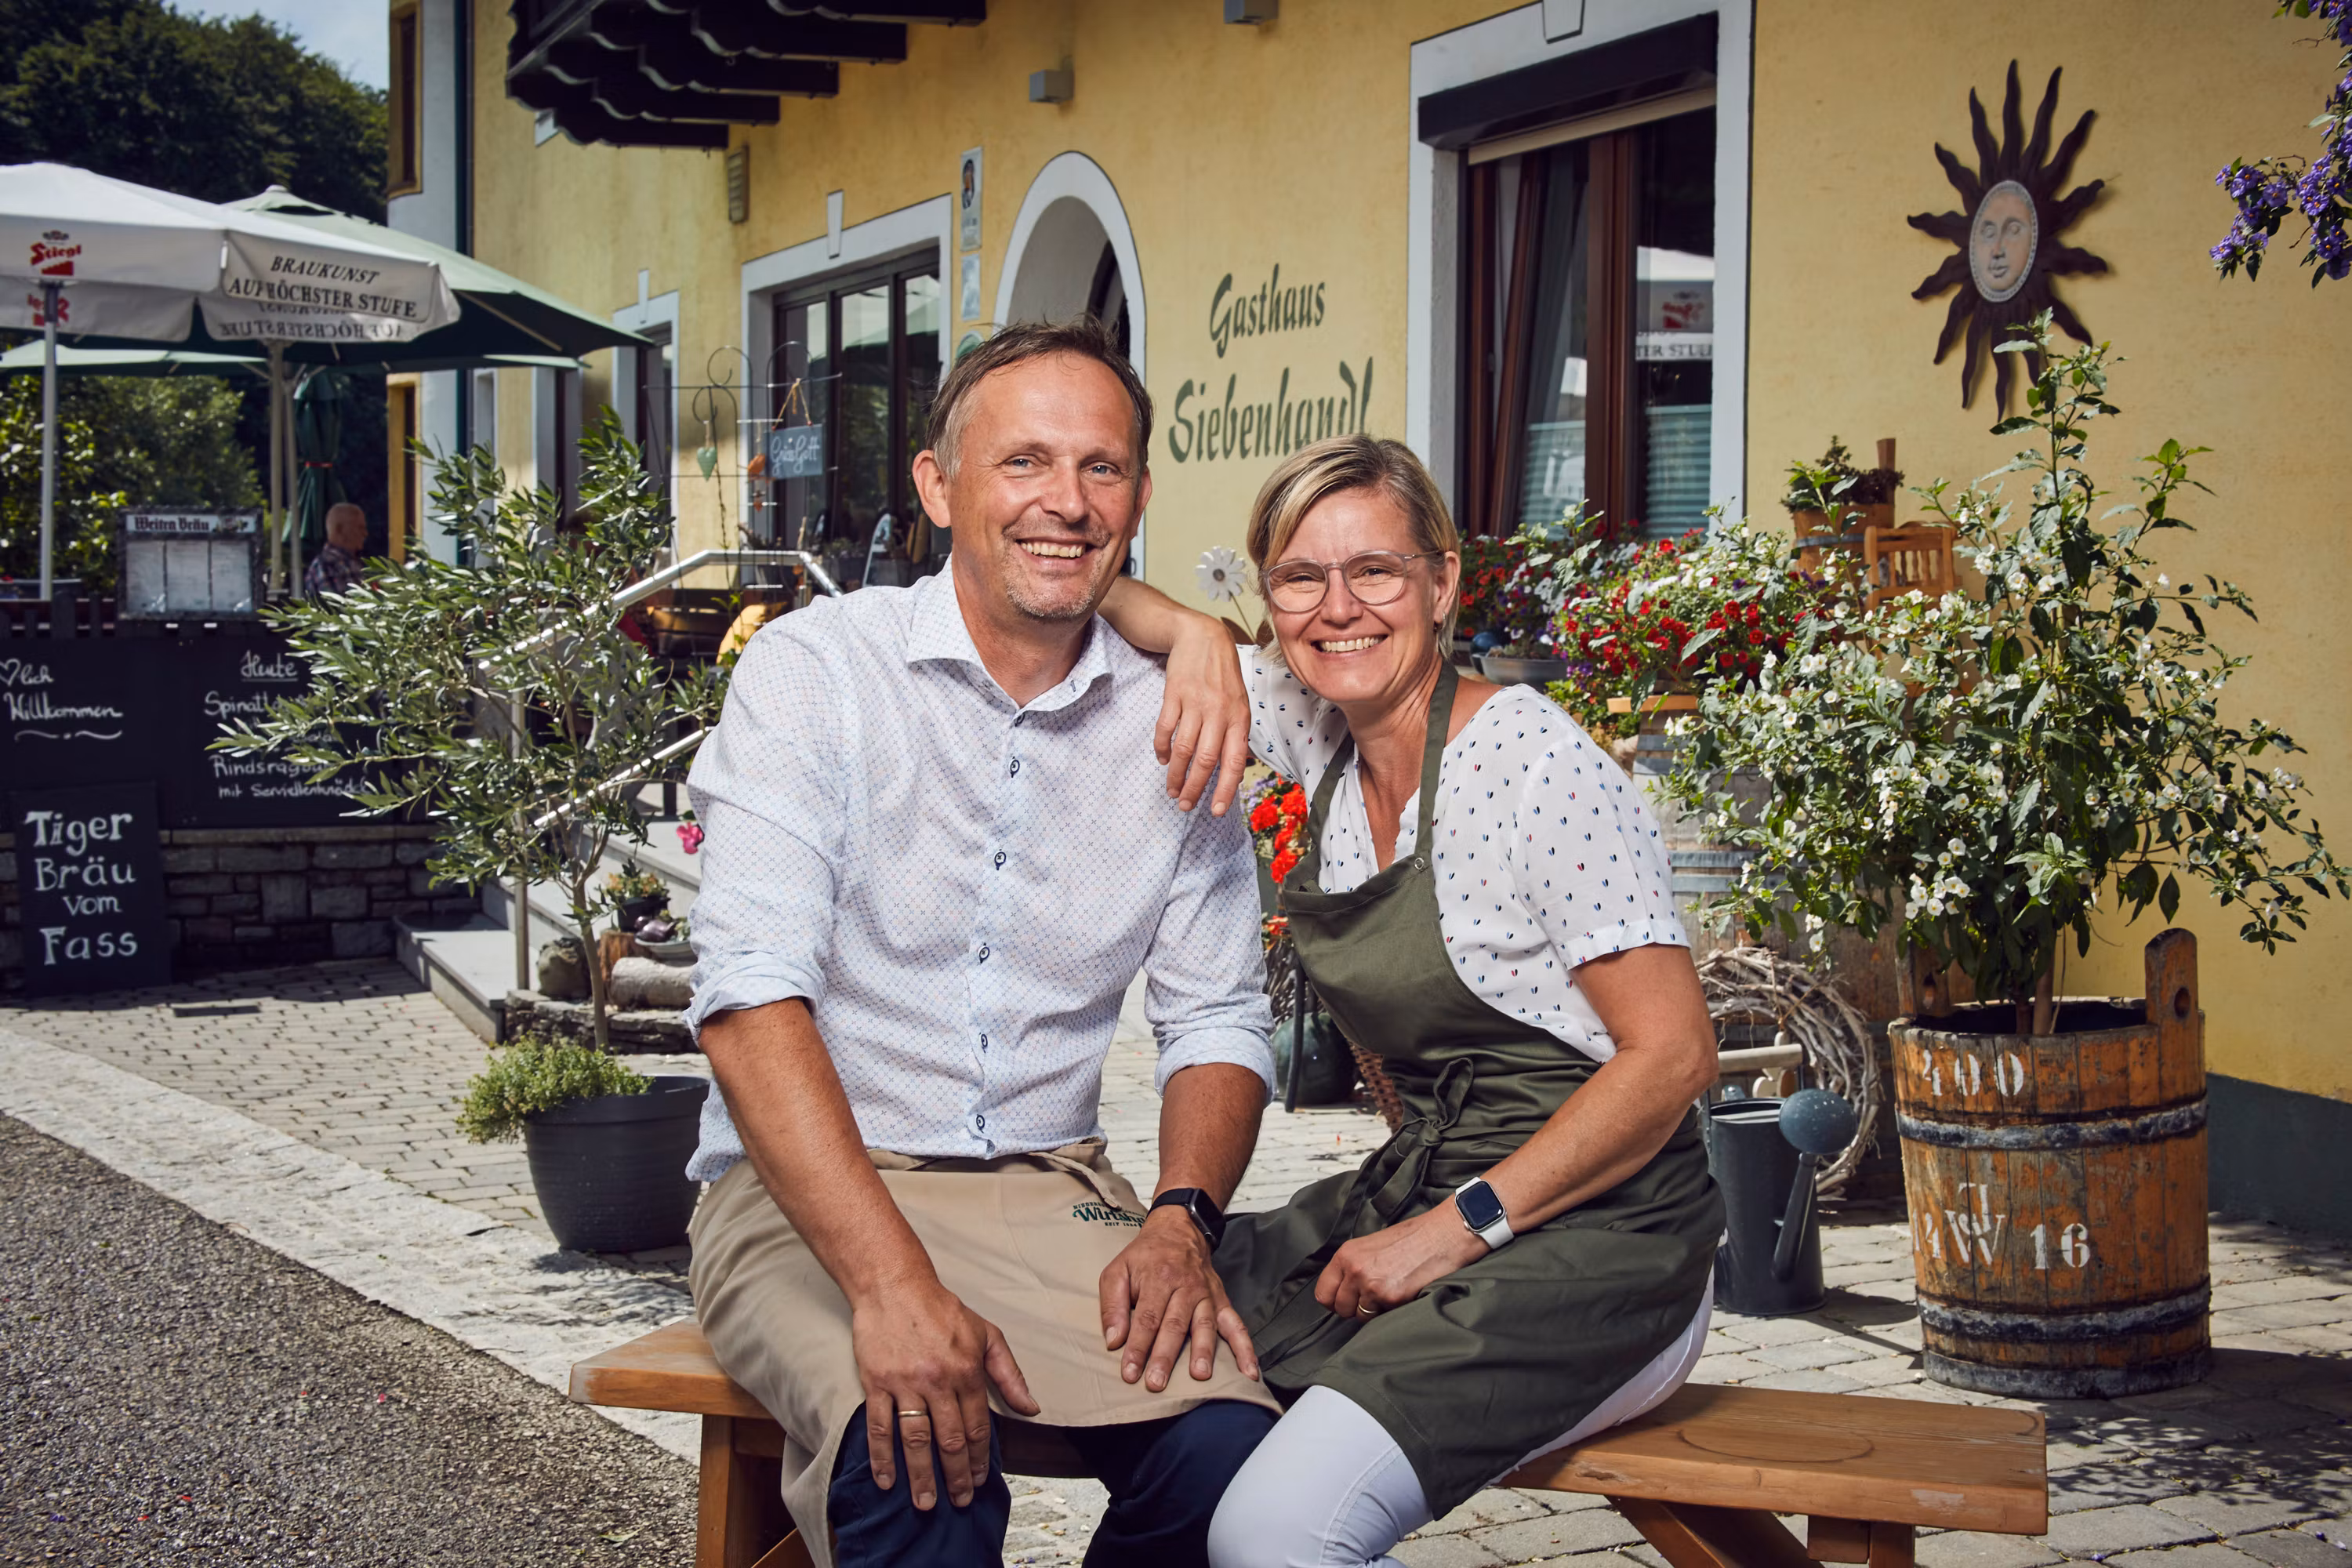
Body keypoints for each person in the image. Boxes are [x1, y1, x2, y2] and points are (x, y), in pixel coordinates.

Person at [684, 318, 1283, 1568]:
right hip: (806, 1195)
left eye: (1101, 469)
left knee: (1241, 1475)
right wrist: (893, 1286)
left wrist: (1179, 1218)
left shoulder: (1181, 716)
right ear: (938, 485)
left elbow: (1219, 1018)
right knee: (918, 1466)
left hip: (1046, 1184)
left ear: (1140, 495)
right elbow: (749, 1004)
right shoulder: (818, 673)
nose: (1065, 502)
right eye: (1024, 463)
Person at [1097, 436, 1724, 1568]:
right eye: (1300, 578)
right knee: (1142, 1350)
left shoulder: (1534, 762)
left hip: (1607, 1242)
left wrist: (1453, 1232)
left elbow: (1676, 1059)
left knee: (1276, 1527)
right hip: (1422, 1191)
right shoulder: (1318, 729)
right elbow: (1108, 593)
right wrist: (1200, 630)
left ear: (1444, 583)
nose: (1339, 609)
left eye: (1376, 572)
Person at [302, 501, 369, 598]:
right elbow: (340, 608)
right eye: (360, 528)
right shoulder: (325, 565)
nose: (365, 533)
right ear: (339, 530)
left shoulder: (356, 562)